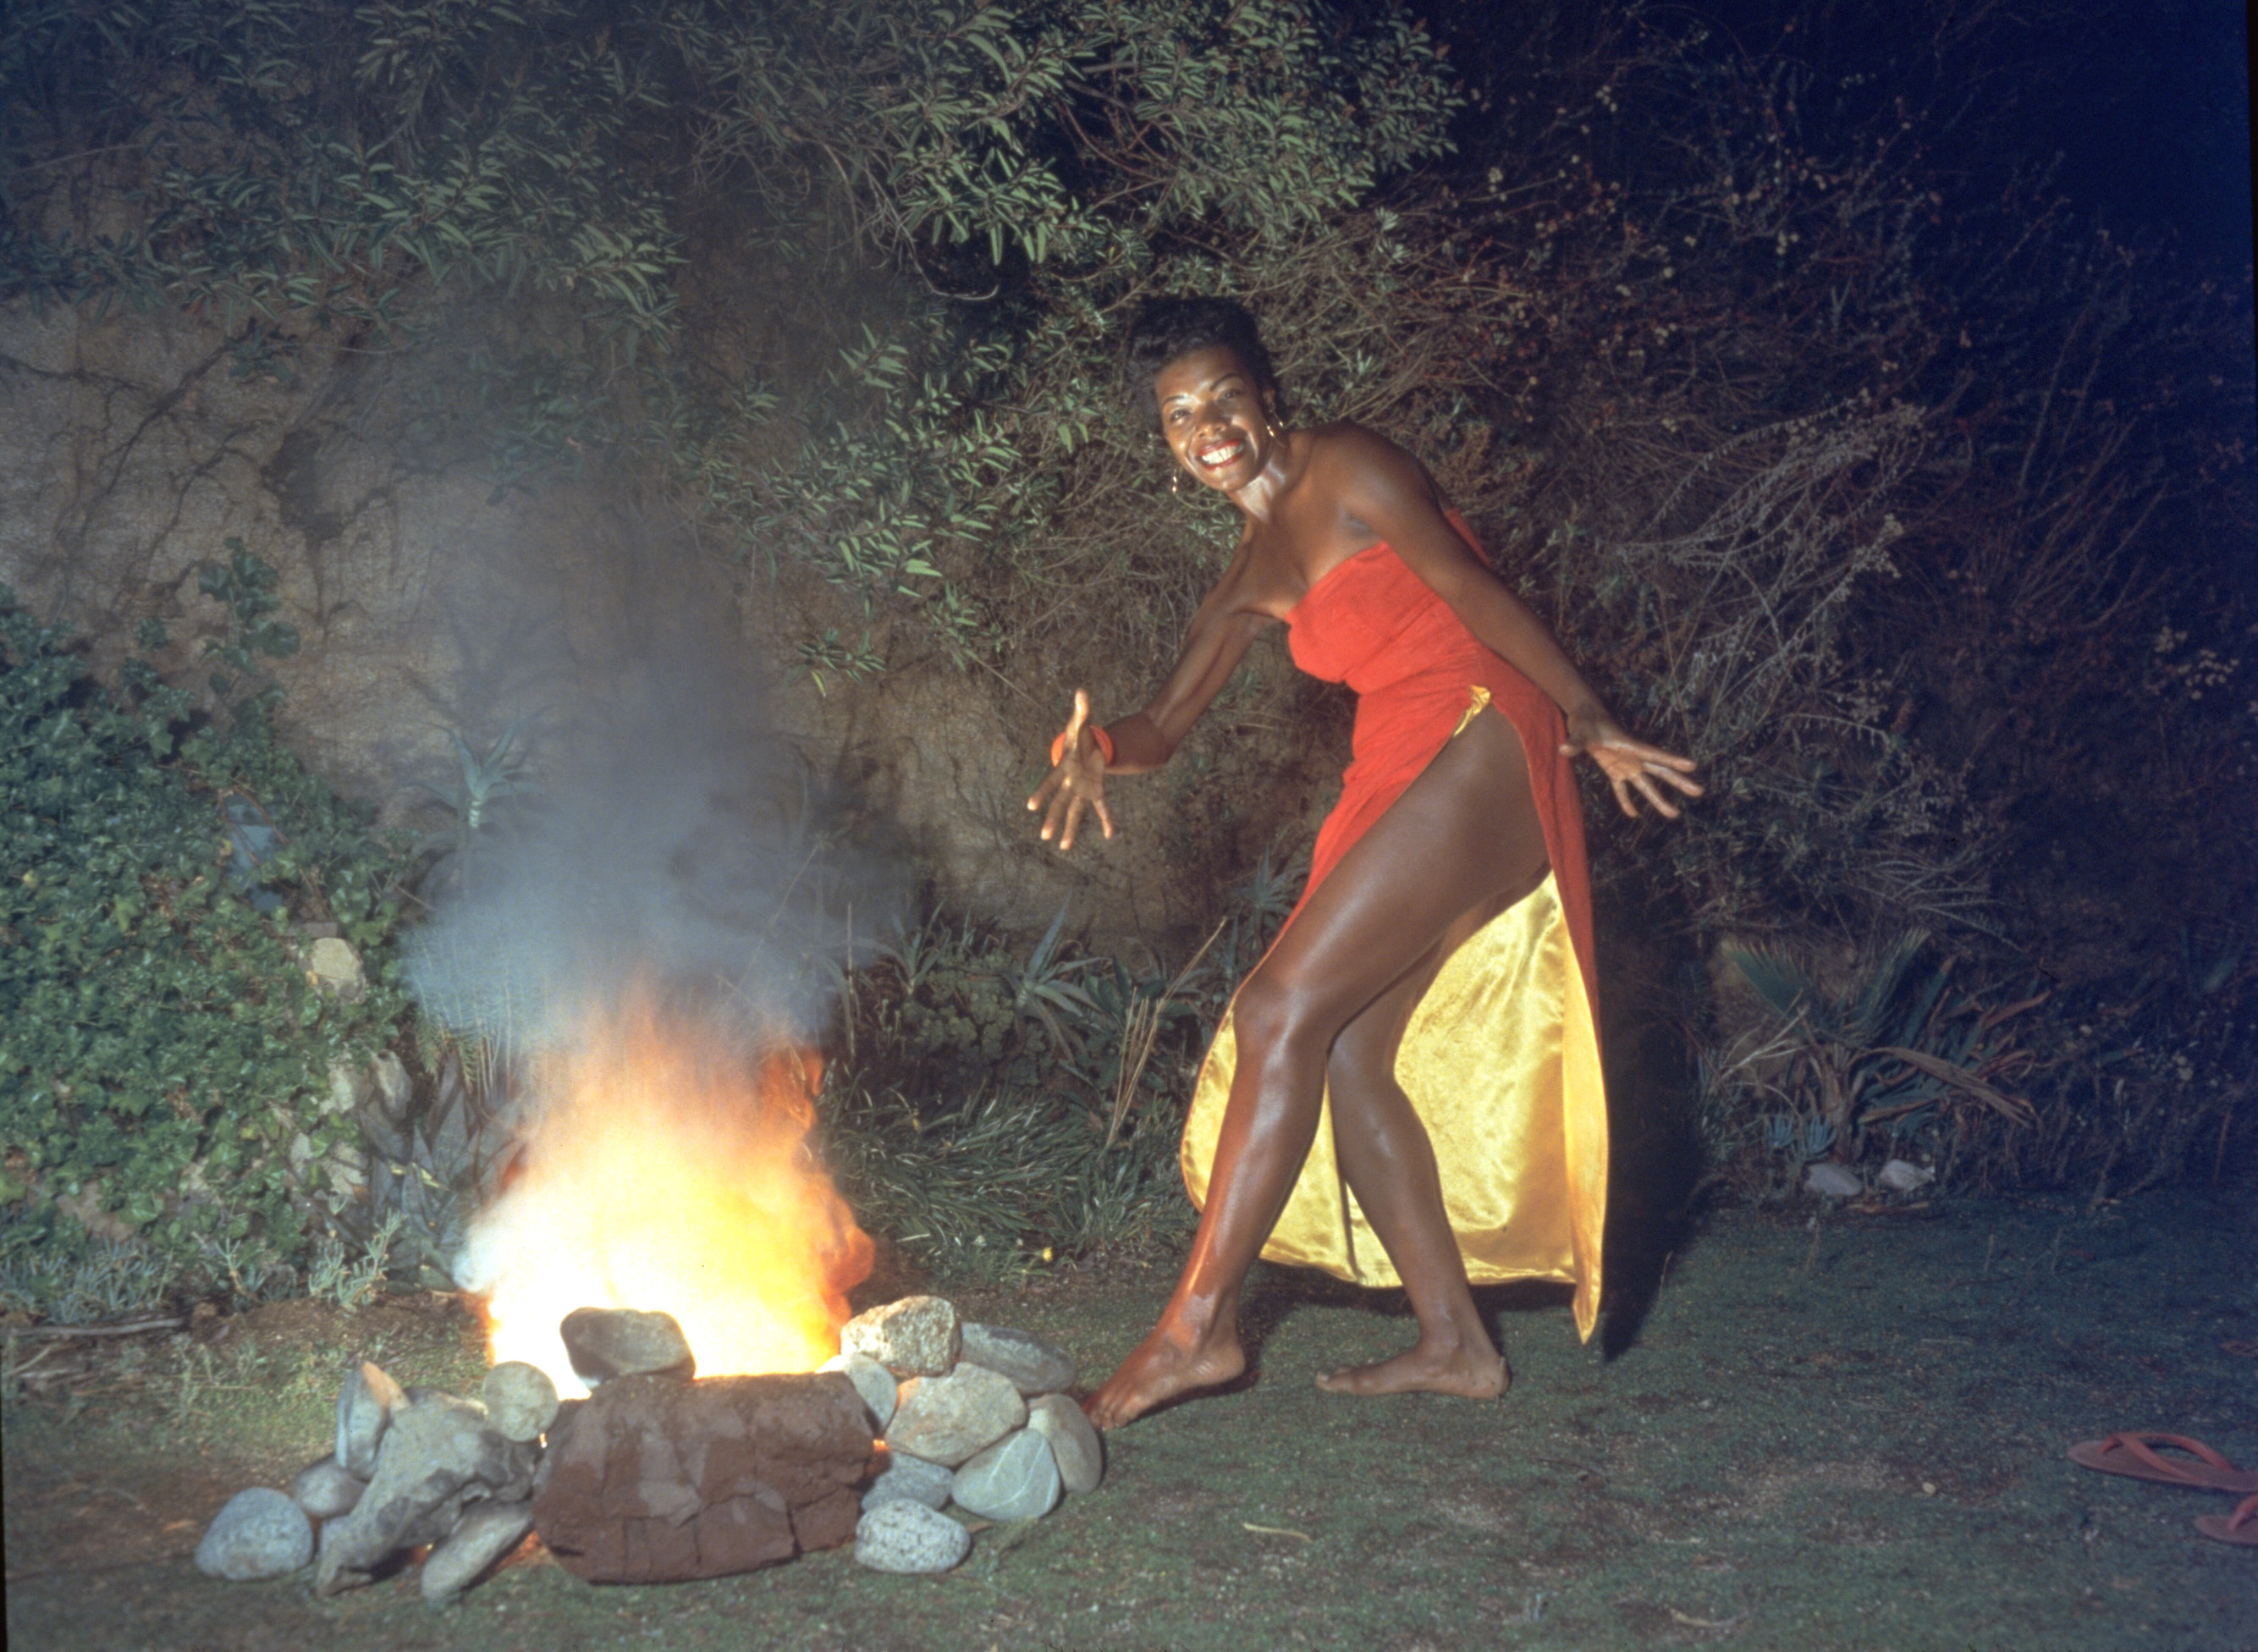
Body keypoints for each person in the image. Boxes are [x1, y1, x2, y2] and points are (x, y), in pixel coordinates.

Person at [1028, 298, 1701, 1430]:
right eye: (1179, 414)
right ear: (1166, 440)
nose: (1207, 427)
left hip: (1481, 721)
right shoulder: (1244, 574)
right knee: (1342, 1052)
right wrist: (1096, 749)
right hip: (1394, 760)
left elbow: (1470, 588)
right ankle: (1455, 1344)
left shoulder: (1347, 468)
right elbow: (1165, 725)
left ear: (1265, 393)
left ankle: (1196, 1331)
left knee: (1280, 1009)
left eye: (1222, 396)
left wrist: (1586, 713)